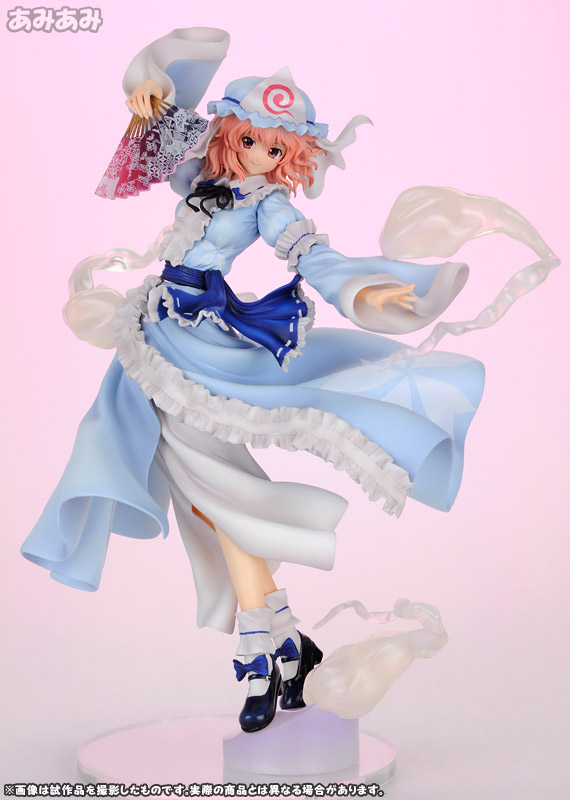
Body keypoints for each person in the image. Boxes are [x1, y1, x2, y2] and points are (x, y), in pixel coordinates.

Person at [23, 28, 554, 734]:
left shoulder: (266, 204)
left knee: (220, 503)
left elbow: (312, 255)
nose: (260, 157)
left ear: (291, 157)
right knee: (205, 506)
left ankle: (258, 657)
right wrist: (145, 86)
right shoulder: (199, 175)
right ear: (230, 135)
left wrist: (368, 289)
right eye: (251, 142)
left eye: (276, 151)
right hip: (153, 335)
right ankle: (289, 645)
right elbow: (159, 106)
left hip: (201, 352)